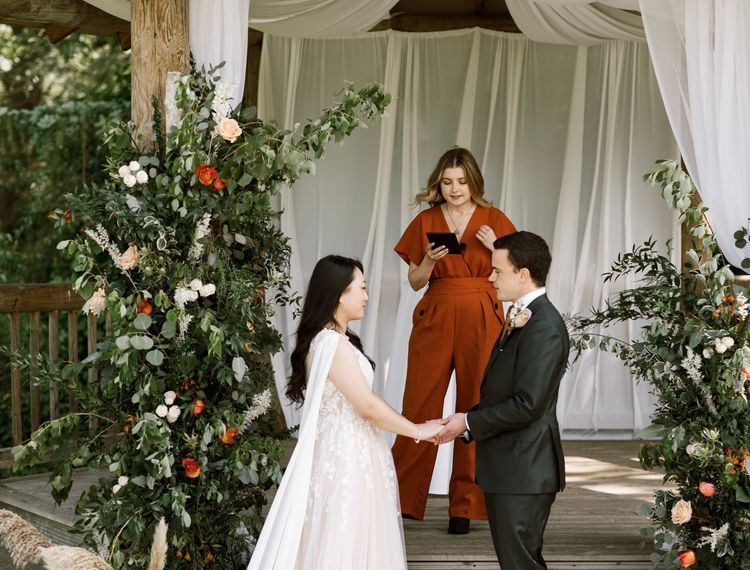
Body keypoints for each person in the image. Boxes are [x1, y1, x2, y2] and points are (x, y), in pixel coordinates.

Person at [248, 255, 445, 570]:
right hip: (345, 458)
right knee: (344, 540)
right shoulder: (332, 344)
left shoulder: (336, 340)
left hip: (352, 452)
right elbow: (366, 406)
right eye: (362, 288)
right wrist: (419, 431)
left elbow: (366, 400)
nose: (366, 296)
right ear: (340, 293)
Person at [391, 147, 516, 534]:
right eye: (447, 182)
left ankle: (465, 506)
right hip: (437, 312)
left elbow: (515, 273)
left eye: (462, 181)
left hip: (483, 314)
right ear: (438, 184)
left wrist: (497, 247)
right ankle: (400, 499)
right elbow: (415, 282)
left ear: (474, 182)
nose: (455, 188)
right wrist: (429, 260)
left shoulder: (495, 219)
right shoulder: (426, 220)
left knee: (476, 406)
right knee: (419, 402)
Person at [437, 231, 569, 570]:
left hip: (524, 470)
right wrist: (464, 422)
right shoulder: (525, 315)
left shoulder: (544, 326)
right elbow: (504, 393)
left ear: (523, 274)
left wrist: (468, 421)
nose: (490, 278)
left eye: (497, 271)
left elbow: (528, 404)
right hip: (512, 468)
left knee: (520, 564)